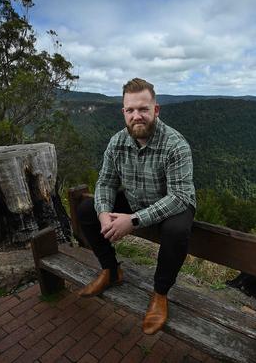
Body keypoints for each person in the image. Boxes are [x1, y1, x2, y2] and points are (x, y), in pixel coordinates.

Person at [76, 77, 196, 335]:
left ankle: (160, 293)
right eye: (130, 110)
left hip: (171, 205)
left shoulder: (176, 145)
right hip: (135, 200)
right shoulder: (117, 143)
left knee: (176, 230)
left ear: (156, 110)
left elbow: (179, 197)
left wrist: (132, 221)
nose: (137, 116)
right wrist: (104, 214)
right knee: (87, 210)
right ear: (123, 113)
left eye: (143, 109)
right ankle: (111, 270)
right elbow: (105, 182)